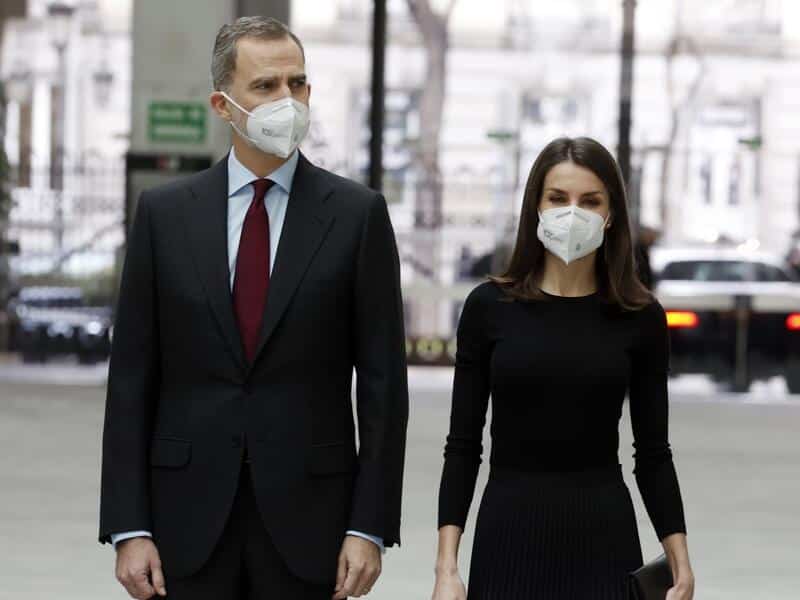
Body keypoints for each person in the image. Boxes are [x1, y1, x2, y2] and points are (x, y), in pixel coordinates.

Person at [99, 17, 408, 600]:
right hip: (182, 521)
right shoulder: (164, 216)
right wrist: (128, 525)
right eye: (265, 86)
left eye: (297, 84)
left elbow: (383, 388)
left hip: (311, 522)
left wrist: (369, 525)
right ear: (223, 103)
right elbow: (132, 379)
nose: (286, 100)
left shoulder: (357, 216)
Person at [431, 137, 694, 600]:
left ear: (611, 214)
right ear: (536, 206)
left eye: (590, 201)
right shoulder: (489, 308)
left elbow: (653, 452)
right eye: (558, 198)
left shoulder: (640, 316)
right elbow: (463, 445)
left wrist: (680, 560)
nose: (572, 213)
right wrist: (446, 567)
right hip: (508, 532)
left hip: (603, 533)